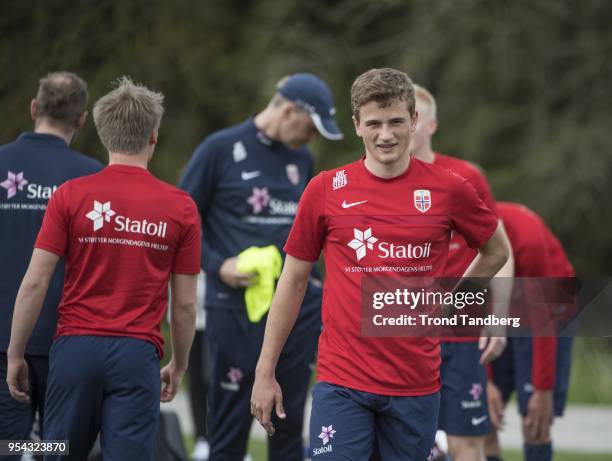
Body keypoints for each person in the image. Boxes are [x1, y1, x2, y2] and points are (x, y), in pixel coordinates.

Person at [251, 67, 509, 461]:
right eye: (374, 123)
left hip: (415, 383)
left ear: (414, 121)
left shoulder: (449, 188)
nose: (385, 134)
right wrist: (265, 370)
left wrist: (452, 305)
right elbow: (292, 281)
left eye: (396, 122)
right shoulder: (323, 190)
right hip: (342, 380)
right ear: (356, 125)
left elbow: (496, 250)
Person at [6, 77, 201, 461]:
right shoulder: (180, 207)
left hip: (74, 350)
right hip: (137, 354)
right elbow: (185, 306)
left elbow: (35, 282)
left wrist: (15, 354)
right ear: (153, 137)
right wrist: (179, 364)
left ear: (102, 132)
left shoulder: (72, 195)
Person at [179, 73, 343, 461]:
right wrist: (218, 266)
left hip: (294, 311)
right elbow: (182, 222)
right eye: (312, 127)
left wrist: (318, 286)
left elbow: (307, 232)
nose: (313, 139)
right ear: (289, 111)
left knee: (287, 425)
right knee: (228, 430)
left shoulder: (301, 158)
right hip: (234, 307)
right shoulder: (219, 149)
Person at [408, 84, 514, 461]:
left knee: (466, 442)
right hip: (400, 332)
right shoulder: (375, 182)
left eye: (415, 117)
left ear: (431, 124)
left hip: (460, 334)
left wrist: (499, 318)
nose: (407, 126)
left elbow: (502, 251)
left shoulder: (465, 176)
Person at [0, 71, 102, 455]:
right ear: (81, 118)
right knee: (59, 449)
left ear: (33, 108)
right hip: (68, 341)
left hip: (4, 339)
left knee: (7, 448)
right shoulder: (94, 177)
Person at [485, 202, 575, 461]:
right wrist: (486, 381)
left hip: (550, 311)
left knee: (534, 421)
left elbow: (543, 319)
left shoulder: (528, 240)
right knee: (481, 417)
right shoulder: (461, 241)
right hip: (498, 314)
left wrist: (542, 389)